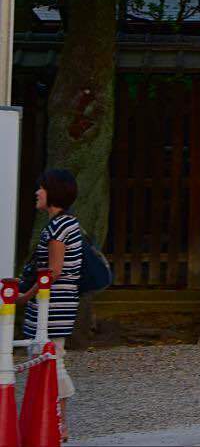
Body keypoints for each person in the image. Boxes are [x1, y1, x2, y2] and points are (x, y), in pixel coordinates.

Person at [20, 168, 83, 439]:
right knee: (47, 357)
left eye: (41, 188)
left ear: (53, 192)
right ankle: (53, 420)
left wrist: (27, 295)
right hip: (55, 301)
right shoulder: (64, 223)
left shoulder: (60, 227)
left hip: (53, 303)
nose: (37, 193)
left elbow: (53, 271)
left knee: (52, 358)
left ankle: (60, 423)